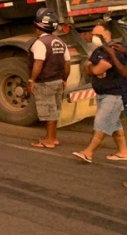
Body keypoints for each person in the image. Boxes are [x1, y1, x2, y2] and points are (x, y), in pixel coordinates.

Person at [72, 25, 127, 163]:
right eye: (93, 34)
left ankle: (88, 152)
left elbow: (98, 69)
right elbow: (88, 67)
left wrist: (94, 68)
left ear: (107, 34)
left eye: (97, 34)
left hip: (114, 94)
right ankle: (123, 151)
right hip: (102, 94)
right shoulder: (99, 50)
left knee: (101, 123)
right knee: (114, 125)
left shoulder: (115, 50)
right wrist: (93, 68)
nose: (93, 37)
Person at [27, 8, 70, 148]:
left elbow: (38, 63)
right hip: (58, 81)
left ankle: (49, 141)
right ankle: (53, 137)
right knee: (55, 110)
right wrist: (64, 79)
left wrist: (32, 80)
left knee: (48, 111)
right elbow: (67, 64)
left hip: (45, 82)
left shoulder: (40, 43)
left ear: (38, 27)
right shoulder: (60, 42)